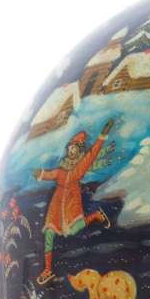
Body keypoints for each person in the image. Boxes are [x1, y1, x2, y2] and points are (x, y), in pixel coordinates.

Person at [33, 119, 114, 284]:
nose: (70, 151)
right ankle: (47, 270)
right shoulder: (62, 169)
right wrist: (41, 174)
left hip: (71, 204)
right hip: (56, 207)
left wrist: (102, 137)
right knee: (49, 233)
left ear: (79, 150)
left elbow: (91, 155)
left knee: (72, 230)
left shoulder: (79, 168)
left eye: (74, 149)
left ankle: (95, 216)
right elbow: (51, 174)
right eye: (69, 149)